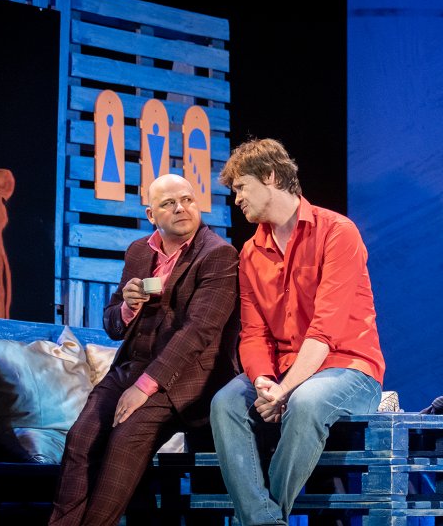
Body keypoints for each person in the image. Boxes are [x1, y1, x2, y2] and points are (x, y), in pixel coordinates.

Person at [210, 139, 385, 525]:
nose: (237, 199)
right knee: (225, 404)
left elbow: (325, 330)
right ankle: (265, 521)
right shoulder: (250, 253)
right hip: (283, 371)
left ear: (270, 176)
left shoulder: (337, 232)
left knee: (305, 402)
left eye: (241, 187)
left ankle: (258, 519)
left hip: (348, 369)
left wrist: (285, 390)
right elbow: (253, 334)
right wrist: (263, 381)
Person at [50, 174, 240, 526]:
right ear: (151, 214)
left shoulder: (218, 254)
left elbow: (198, 332)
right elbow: (112, 325)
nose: (181, 208)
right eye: (169, 203)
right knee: (81, 438)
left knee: (124, 440)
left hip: (184, 379)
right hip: (132, 367)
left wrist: (144, 387)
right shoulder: (140, 251)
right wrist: (128, 306)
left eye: (187, 200)